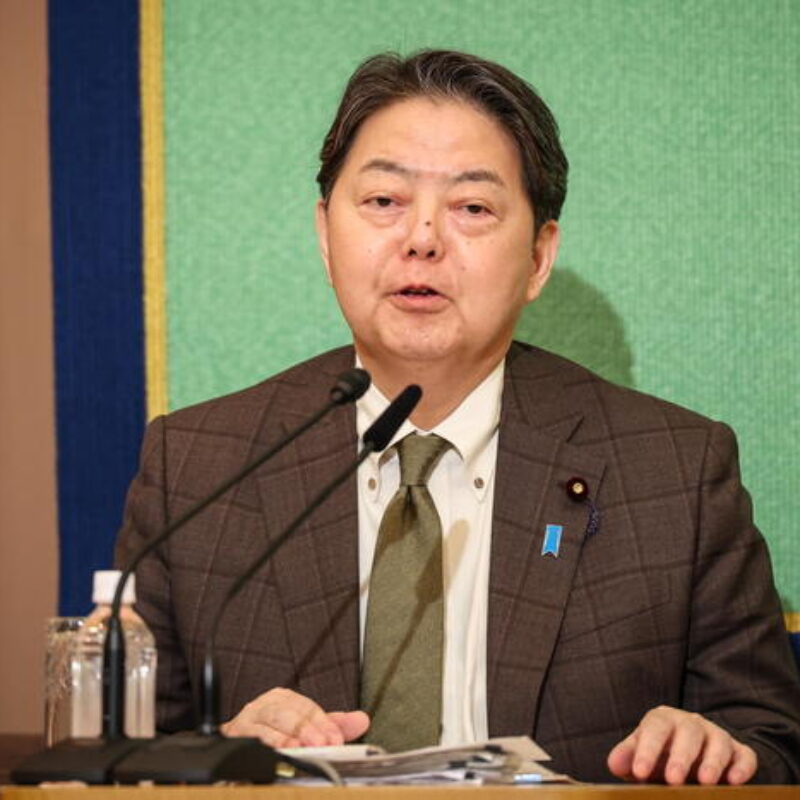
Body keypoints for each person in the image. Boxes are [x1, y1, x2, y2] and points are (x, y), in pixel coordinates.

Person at [115, 50, 800, 783]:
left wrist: (720, 753)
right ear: (324, 233)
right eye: (384, 202)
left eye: (472, 208)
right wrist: (220, 757)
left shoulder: (675, 469)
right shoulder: (199, 465)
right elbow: (114, 757)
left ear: (539, 256)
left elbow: (774, 742)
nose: (422, 238)